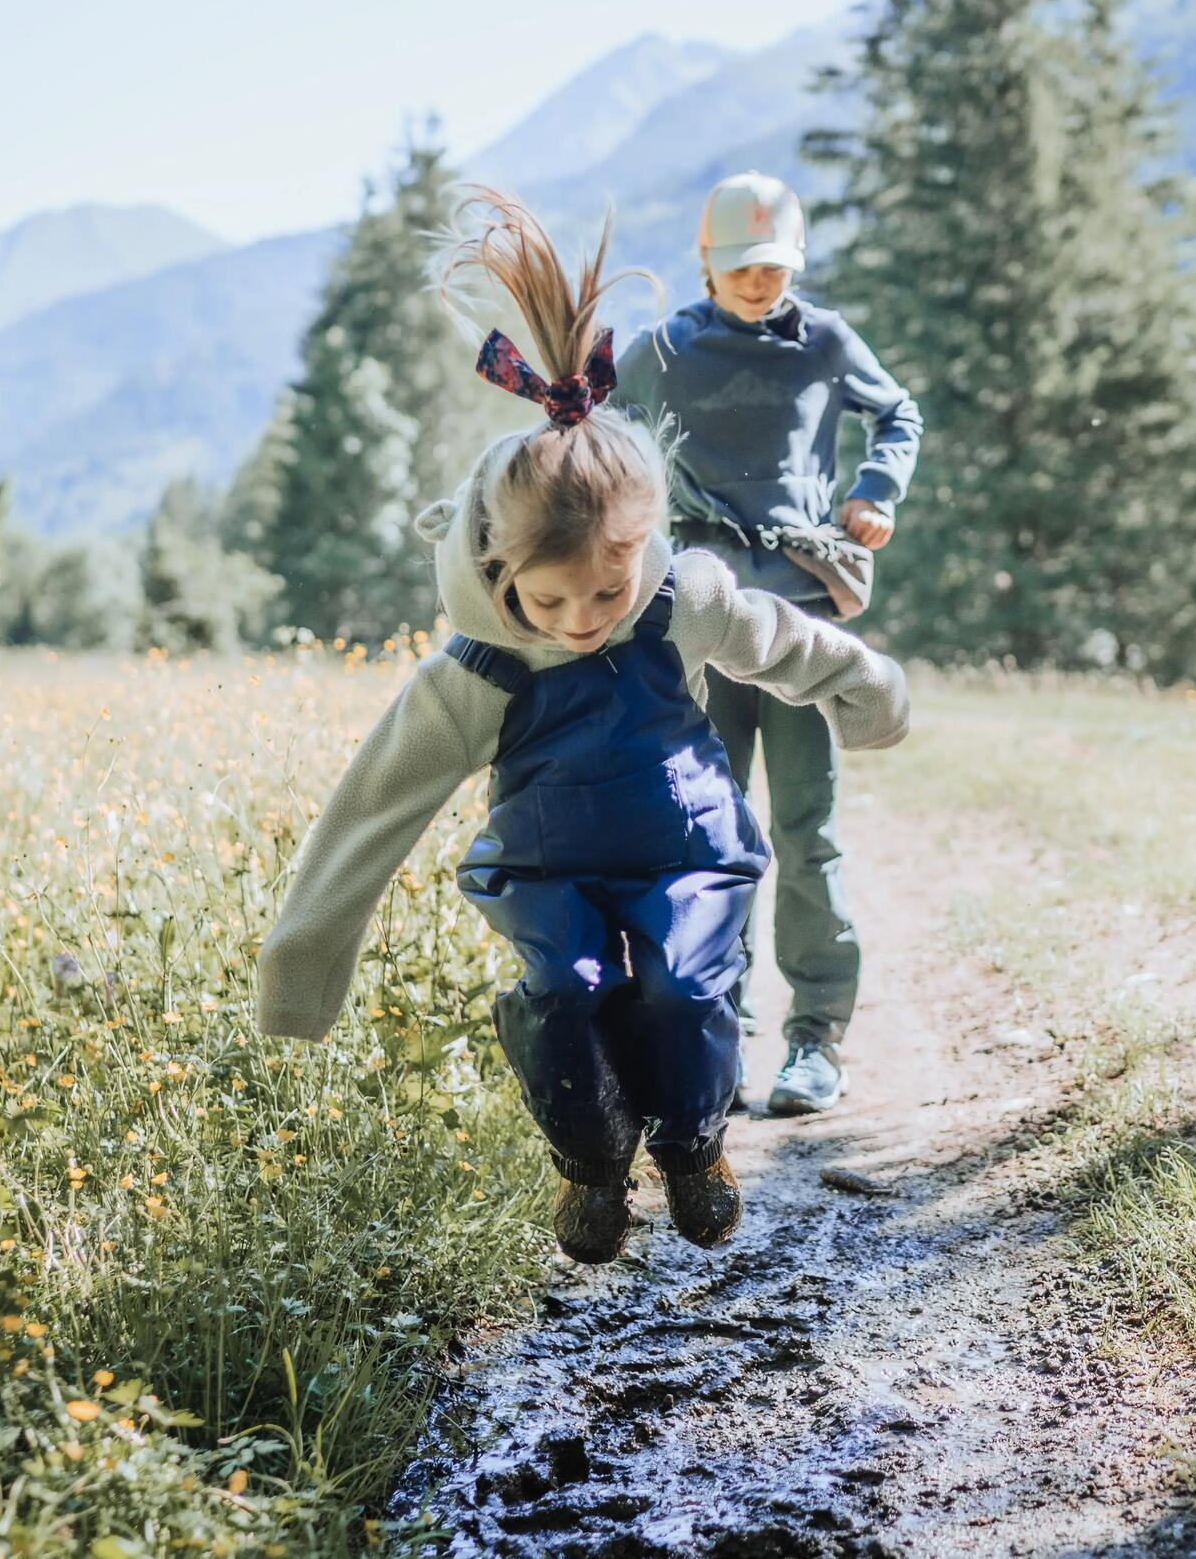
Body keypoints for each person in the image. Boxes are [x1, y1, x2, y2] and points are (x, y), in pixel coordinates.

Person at [255, 189, 910, 1265]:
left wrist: (868, 690)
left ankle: (694, 1147)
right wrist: (302, 962)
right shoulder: (480, 667)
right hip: (548, 868)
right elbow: (375, 808)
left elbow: (789, 642)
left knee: (685, 988)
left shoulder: (682, 598)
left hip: (684, 849)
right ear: (496, 571)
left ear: (639, 548)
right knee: (561, 994)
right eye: (546, 604)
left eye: (600, 600)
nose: (576, 625)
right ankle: (596, 1166)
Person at [615, 172, 924, 1116]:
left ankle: (815, 1041)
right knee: (710, 837)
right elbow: (600, 442)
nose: (759, 282)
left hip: (804, 632)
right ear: (706, 260)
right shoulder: (660, 351)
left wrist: (875, 490)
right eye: (742, 266)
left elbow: (898, 413)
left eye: (775, 266)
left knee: (806, 834)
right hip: (700, 629)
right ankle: (721, 1036)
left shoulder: (824, 341)